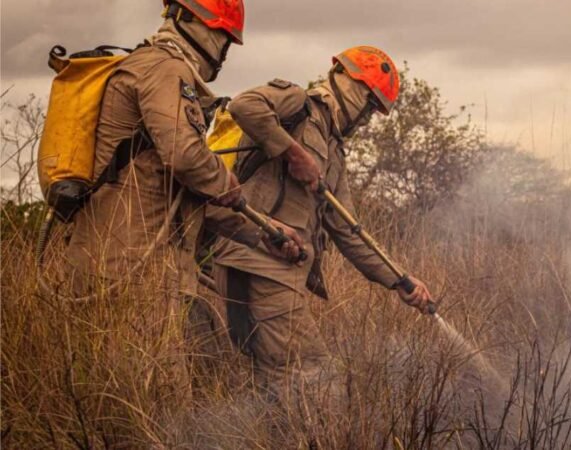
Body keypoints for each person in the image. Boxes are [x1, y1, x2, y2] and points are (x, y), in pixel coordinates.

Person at [63, 0, 304, 398]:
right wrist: (224, 179)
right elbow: (187, 158)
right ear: (190, 20)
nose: (222, 53)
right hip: (134, 273)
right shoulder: (165, 69)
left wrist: (266, 231)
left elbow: (190, 199)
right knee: (157, 401)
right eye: (222, 39)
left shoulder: (155, 69)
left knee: (119, 400)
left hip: (124, 268)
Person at [210, 46, 434, 394]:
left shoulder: (333, 151)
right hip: (265, 264)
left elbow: (349, 231)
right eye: (371, 105)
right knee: (312, 376)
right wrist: (294, 153)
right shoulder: (297, 102)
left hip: (250, 262)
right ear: (351, 85)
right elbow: (244, 105)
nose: (368, 119)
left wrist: (401, 282)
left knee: (270, 382)